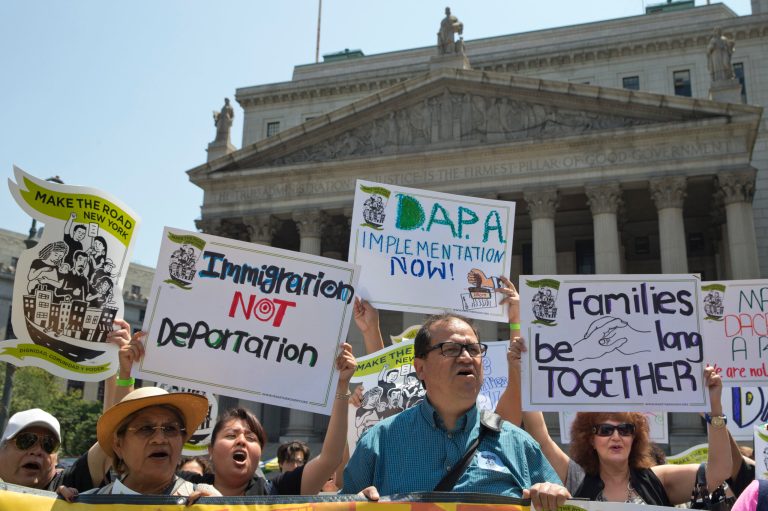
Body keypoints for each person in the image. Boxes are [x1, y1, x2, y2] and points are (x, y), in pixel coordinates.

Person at [342, 311, 569, 508]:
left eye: (473, 349)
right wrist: (355, 506)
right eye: (450, 349)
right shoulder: (379, 442)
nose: (466, 357)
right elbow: (340, 505)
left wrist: (552, 496)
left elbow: (566, 505)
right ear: (420, 368)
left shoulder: (518, 443)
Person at [509, 337, 732, 505]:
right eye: (605, 430)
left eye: (625, 429)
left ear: (635, 438)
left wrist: (715, 409)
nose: (616, 436)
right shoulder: (575, 478)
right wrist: (524, 373)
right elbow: (541, 437)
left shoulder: (657, 479)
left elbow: (719, 471)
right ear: (590, 439)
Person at [182, 343, 356, 496]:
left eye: (250, 438)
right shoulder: (184, 486)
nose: (241, 440)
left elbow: (330, 459)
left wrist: (341, 387)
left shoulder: (276, 492)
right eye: (230, 435)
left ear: (260, 452)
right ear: (210, 450)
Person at [0, 320, 136, 494]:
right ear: (2, 451)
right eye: (26, 441)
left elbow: (113, 436)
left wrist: (117, 365)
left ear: (56, 459)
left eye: (49, 445)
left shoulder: (69, 487)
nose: (37, 451)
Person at [80, 386, 215, 496]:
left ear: (183, 440)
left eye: (170, 428)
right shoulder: (85, 505)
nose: (159, 439)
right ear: (118, 445)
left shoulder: (204, 502)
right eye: (145, 428)